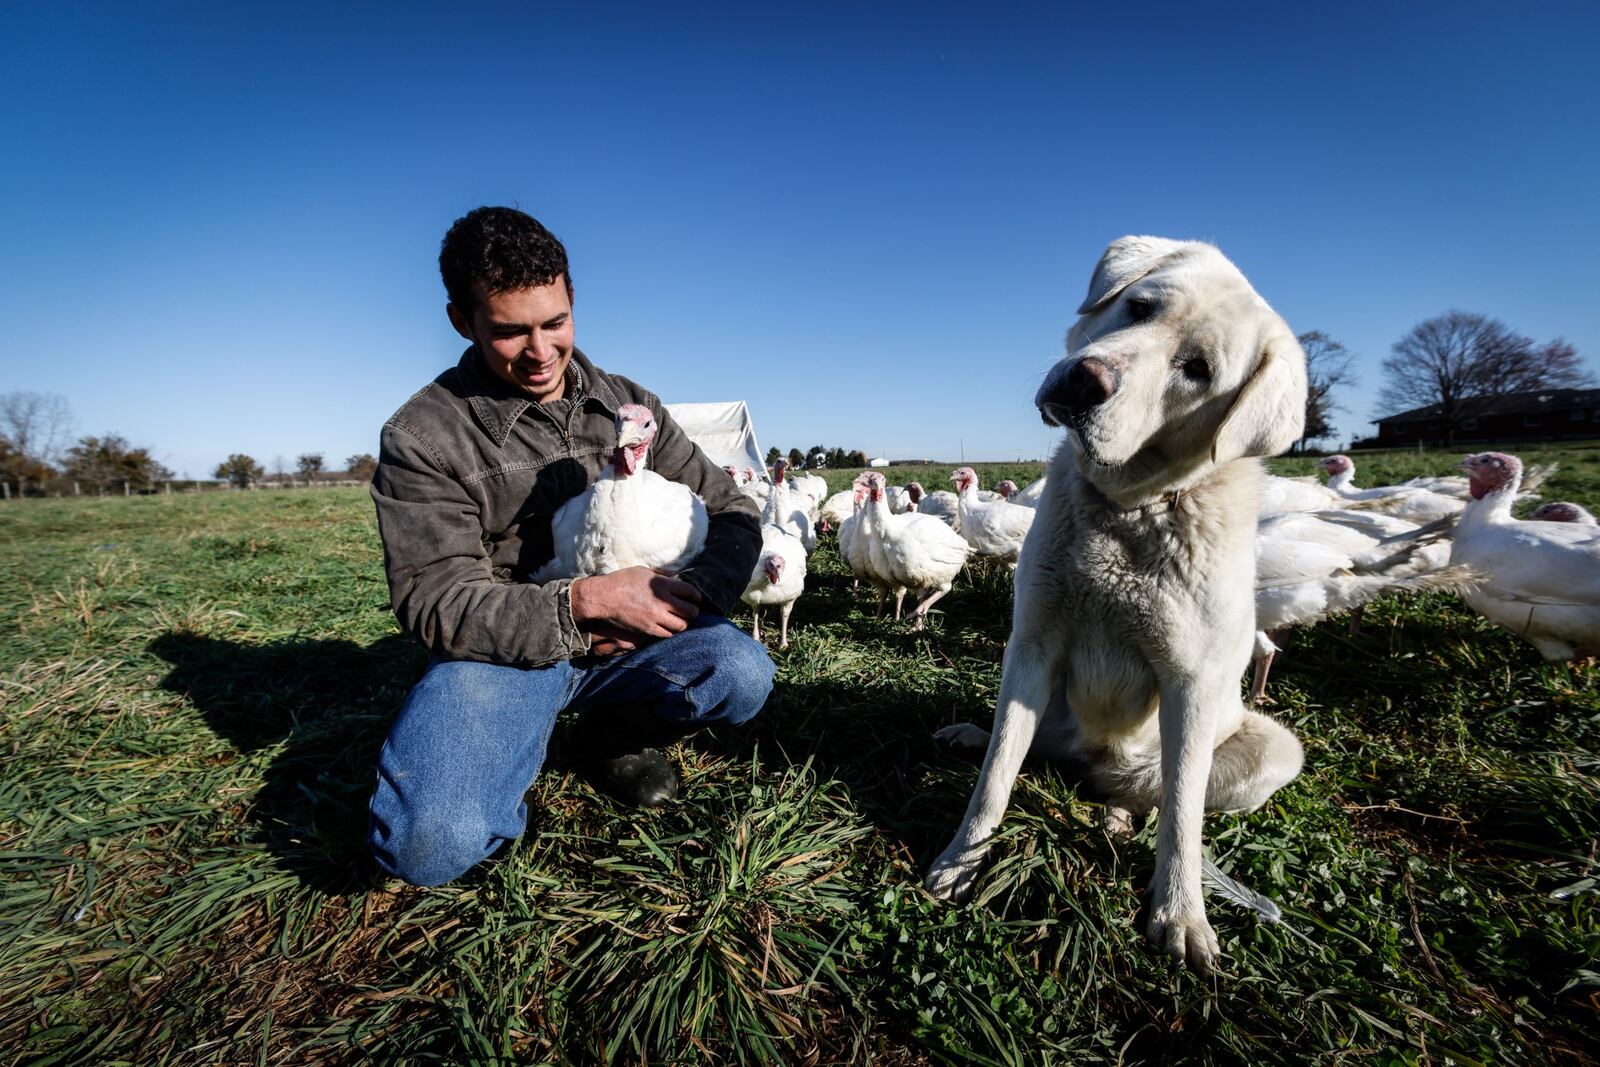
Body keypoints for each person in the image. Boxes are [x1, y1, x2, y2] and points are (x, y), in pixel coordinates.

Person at [367, 206, 774, 887]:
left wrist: (693, 592)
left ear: (573, 299)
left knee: (741, 670)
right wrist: (582, 604)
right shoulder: (424, 436)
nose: (541, 350)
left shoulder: (629, 403)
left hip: (637, 637)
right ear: (461, 322)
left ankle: (610, 731)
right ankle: (504, 744)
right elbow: (433, 599)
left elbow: (732, 507)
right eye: (509, 331)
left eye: (555, 322)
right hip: (503, 650)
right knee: (425, 847)